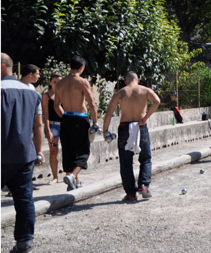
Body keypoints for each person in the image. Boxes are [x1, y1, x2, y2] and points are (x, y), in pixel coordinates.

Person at [1, 53, 44, 253]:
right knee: (25, 198)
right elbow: (38, 126)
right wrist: (38, 151)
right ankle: (25, 240)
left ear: (2, 67)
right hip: (25, 155)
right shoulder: (32, 94)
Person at [102, 72, 160, 201]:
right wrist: (145, 118)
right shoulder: (145, 90)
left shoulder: (120, 93)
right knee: (145, 158)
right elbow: (157, 101)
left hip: (125, 127)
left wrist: (105, 130)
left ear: (125, 81)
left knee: (126, 161)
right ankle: (144, 185)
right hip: (140, 125)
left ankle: (131, 193)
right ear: (138, 80)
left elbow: (108, 113)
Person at [54, 56, 98, 191]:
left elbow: (56, 106)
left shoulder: (60, 84)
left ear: (69, 66)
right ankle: (73, 175)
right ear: (82, 67)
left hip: (66, 118)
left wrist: (66, 117)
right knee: (83, 151)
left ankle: (73, 182)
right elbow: (91, 103)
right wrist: (96, 122)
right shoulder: (82, 82)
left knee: (68, 150)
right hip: (80, 119)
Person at [20, 64, 42, 190]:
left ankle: (27, 183)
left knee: (29, 157)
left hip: (29, 127)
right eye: (37, 73)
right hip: (21, 126)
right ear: (30, 74)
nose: (39, 76)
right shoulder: (19, 87)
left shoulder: (32, 88)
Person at [42, 74, 63, 184]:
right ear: (50, 83)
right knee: (53, 151)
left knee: (68, 149)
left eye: (59, 81)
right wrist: (48, 130)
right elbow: (46, 115)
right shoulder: (46, 96)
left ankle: (70, 174)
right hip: (53, 126)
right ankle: (55, 177)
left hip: (64, 124)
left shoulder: (65, 94)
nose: (57, 84)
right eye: (55, 81)